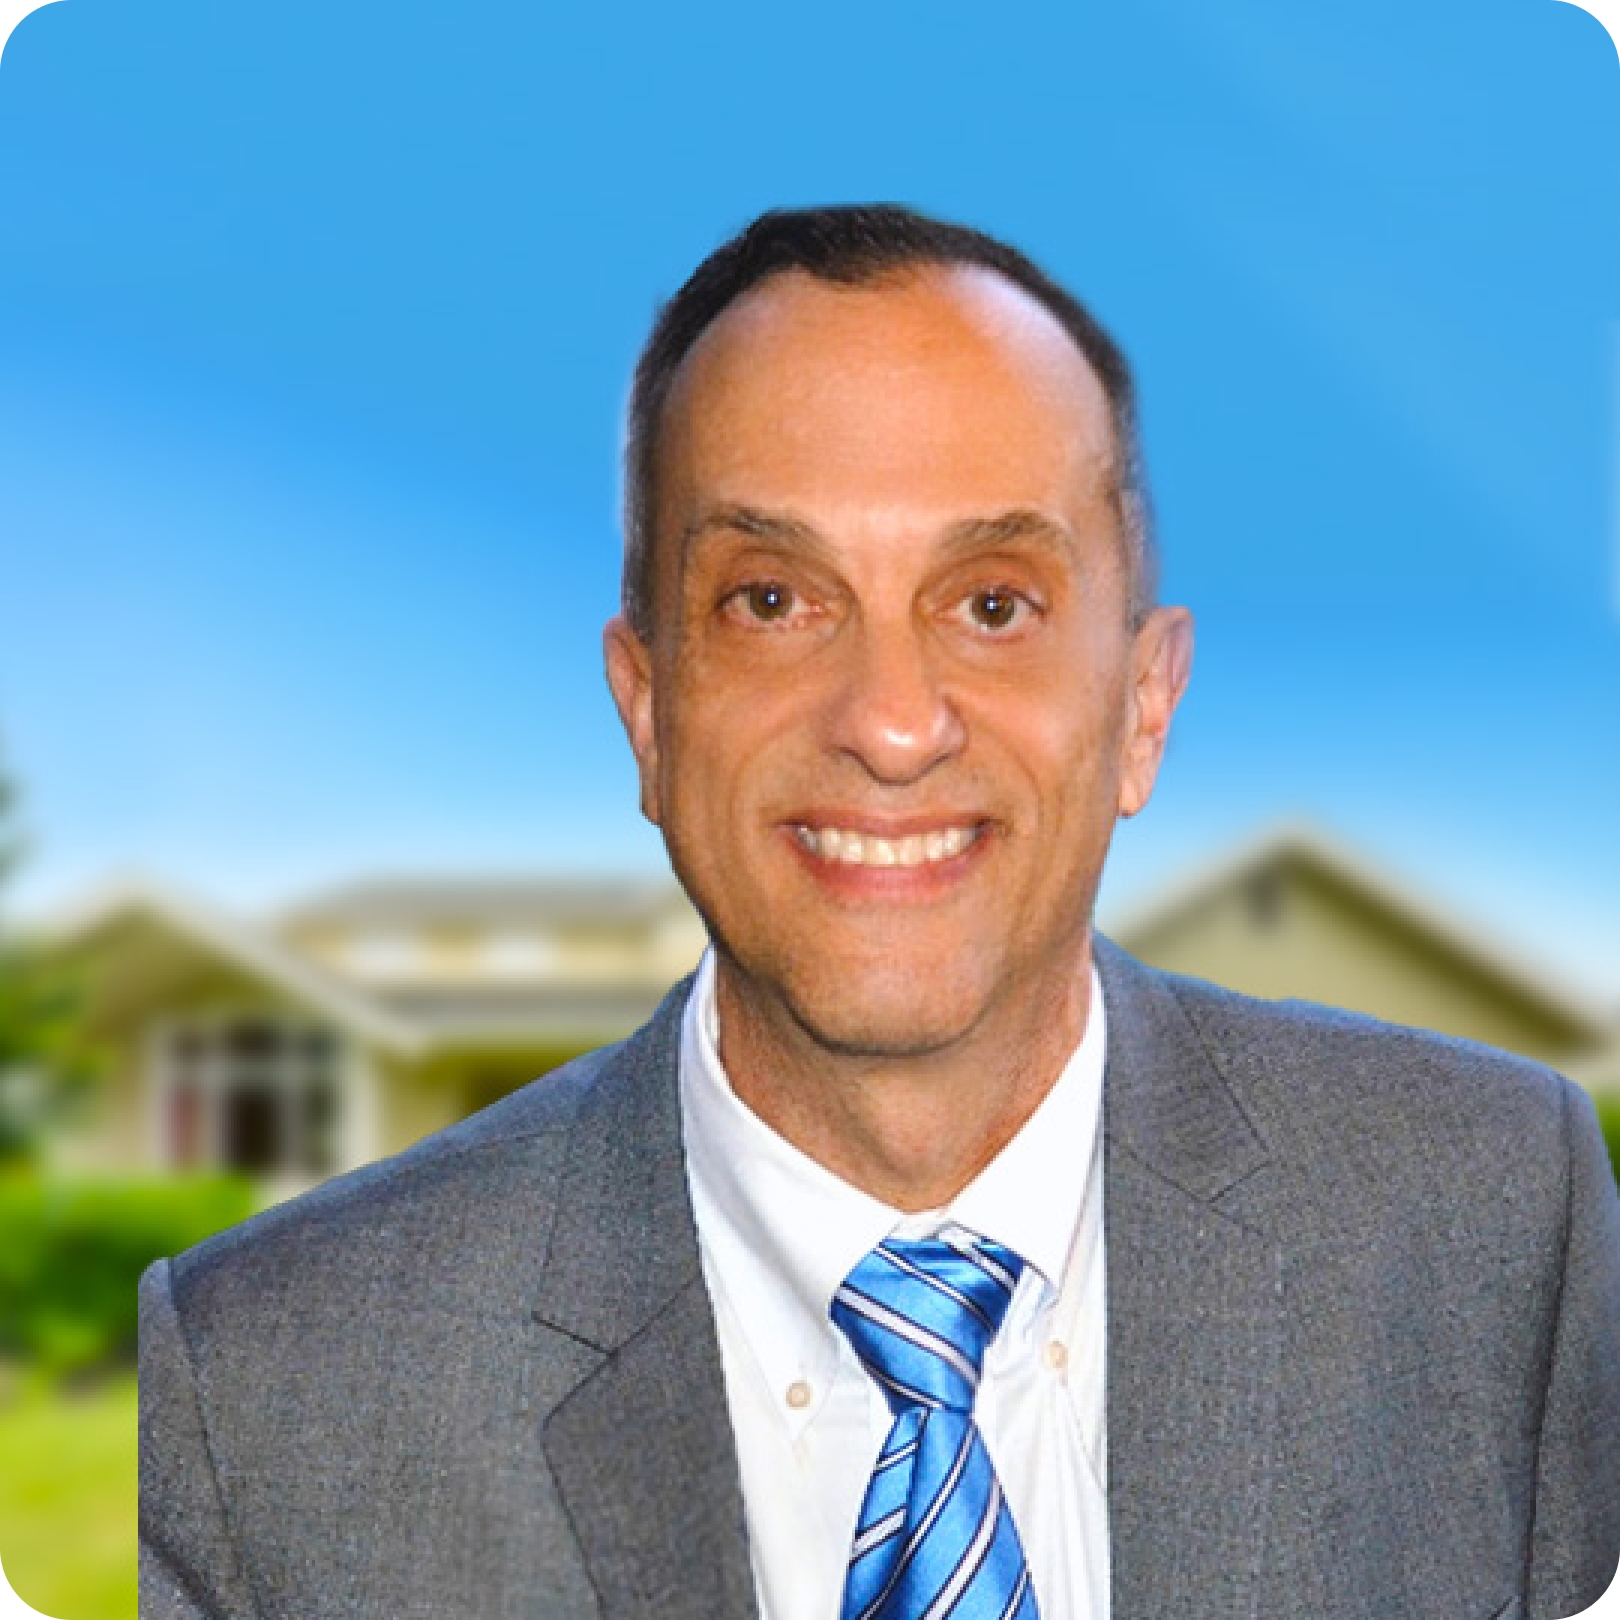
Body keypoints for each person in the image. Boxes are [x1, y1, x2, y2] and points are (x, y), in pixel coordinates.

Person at [139, 205, 1620, 1620]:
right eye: (775, 601)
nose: (894, 725)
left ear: (1144, 706)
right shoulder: (262, 1396)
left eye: (991, 603)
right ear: (648, 714)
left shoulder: (1495, 1227)